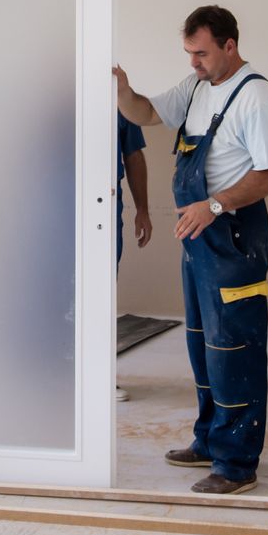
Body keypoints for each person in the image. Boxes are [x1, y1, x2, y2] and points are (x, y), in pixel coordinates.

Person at [114, 5, 268, 496]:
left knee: (235, 348)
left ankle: (237, 464)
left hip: (233, 235)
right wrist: (122, 89)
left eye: (201, 53)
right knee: (202, 343)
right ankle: (210, 441)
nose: (193, 62)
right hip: (199, 236)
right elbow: (145, 112)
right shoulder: (196, 88)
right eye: (189, 53)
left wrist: (214, 204)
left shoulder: (255, 96)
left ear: (229, 46)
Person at [116, 111, 151, 402]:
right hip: (52, 200)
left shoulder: (119, 98)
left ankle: (99, 374)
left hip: (102, 201)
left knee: (99, 292)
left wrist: (143, 209)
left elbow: (134, 155)